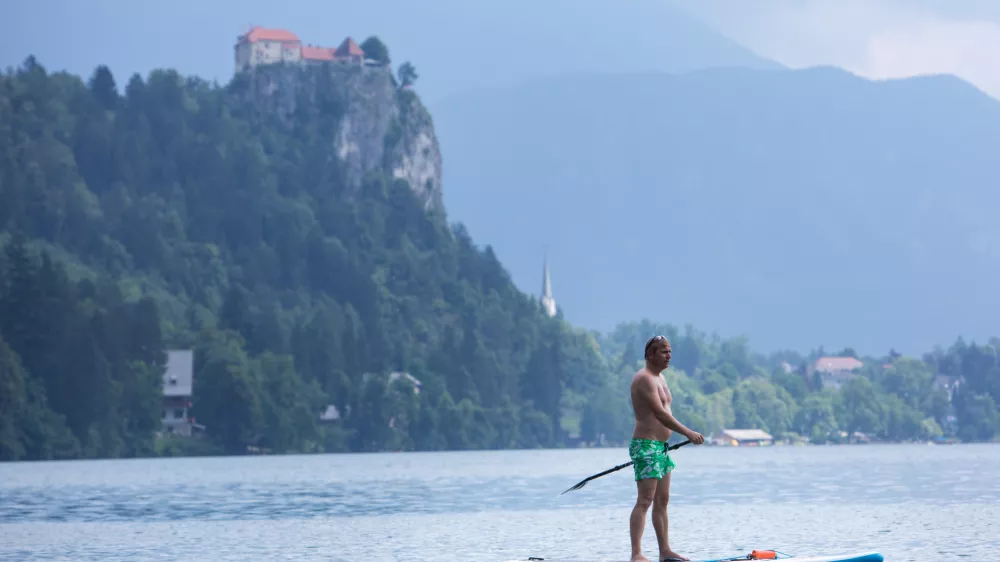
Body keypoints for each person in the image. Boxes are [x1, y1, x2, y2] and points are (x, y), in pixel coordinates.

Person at [628, 335, 705, 562]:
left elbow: (667, 412)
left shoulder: (660, 378)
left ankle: (664, 552)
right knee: (645, 500)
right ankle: (636, 555)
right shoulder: (644, 379)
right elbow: (660, 414)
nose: (668, 355)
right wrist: (688, 432)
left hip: (662, 447)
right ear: (650, 354)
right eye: (663, 351)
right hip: (646, 445)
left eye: (670, 351)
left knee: (662, 500)